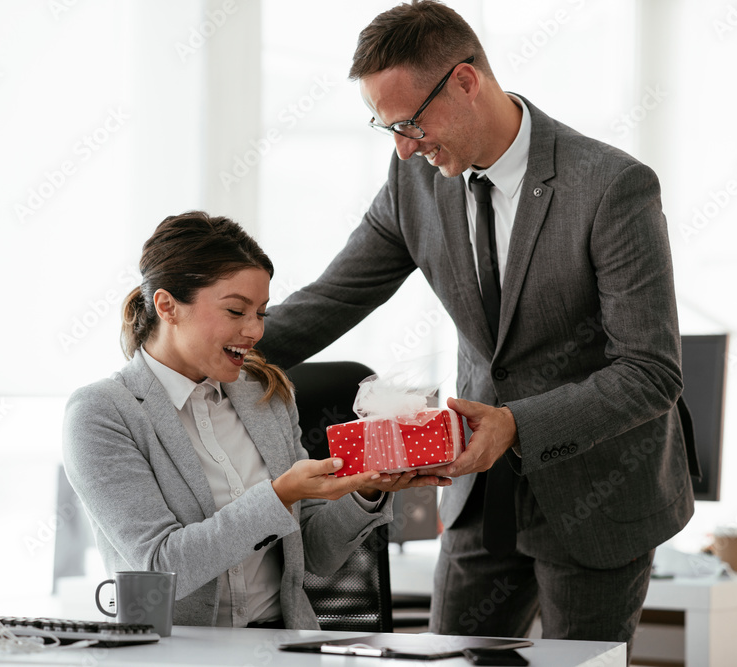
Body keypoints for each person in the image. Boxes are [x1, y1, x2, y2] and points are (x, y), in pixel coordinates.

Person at [256, 0, 694, 655]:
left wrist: (517, 424)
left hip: (597, 493)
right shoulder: (415, 183)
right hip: (477, 493)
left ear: (466, 82)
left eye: (408, 121)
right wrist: (208, 348)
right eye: (387, 129)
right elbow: (333, 297)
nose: (404, 145)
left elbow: (650, 371)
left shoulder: (610, 187)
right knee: (449, 658)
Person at [63, 211, 439, 630]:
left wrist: (365, 490)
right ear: (167, 306)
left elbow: (314, 555)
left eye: (260, 312)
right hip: (178, 653)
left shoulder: (265, 394)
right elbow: (161, 566)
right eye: (236, 311)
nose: (254, 331)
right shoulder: (101, 414)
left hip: (283, 645)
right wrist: (278, 496)